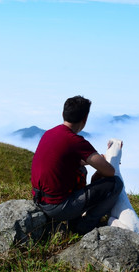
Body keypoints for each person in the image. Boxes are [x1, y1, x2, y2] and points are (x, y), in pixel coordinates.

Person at [31, 95, 123, 234]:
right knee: (115, 184)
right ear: (85, 119)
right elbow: (109, 172)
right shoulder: (76, 141)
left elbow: (67, 161)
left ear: (63, 114)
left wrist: (96, 161)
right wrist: (102, 164)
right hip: (58, 208)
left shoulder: (49, 133)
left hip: (39, 200)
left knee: (80, 170)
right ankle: (84, 226)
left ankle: (74, 219)